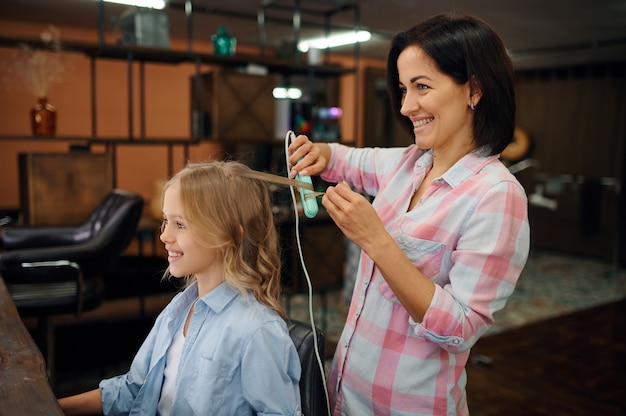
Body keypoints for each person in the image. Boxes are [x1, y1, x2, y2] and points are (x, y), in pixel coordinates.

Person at [288, 12, 531, 416]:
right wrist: (319, 153)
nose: (406, 106)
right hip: (346, 394)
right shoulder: (409, 163)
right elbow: (347, 159)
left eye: (421, 87)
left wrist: (377, 241)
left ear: (474, 88)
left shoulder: (497, 196)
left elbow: (460, 329)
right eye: (402, 89)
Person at [58, 160, 302, 415]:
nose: (164, 235)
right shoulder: (179, 309)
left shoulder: (258, 331)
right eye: (166, 221)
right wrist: (52, 407)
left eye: (181, 224)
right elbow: (134, 390)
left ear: (230, 236)